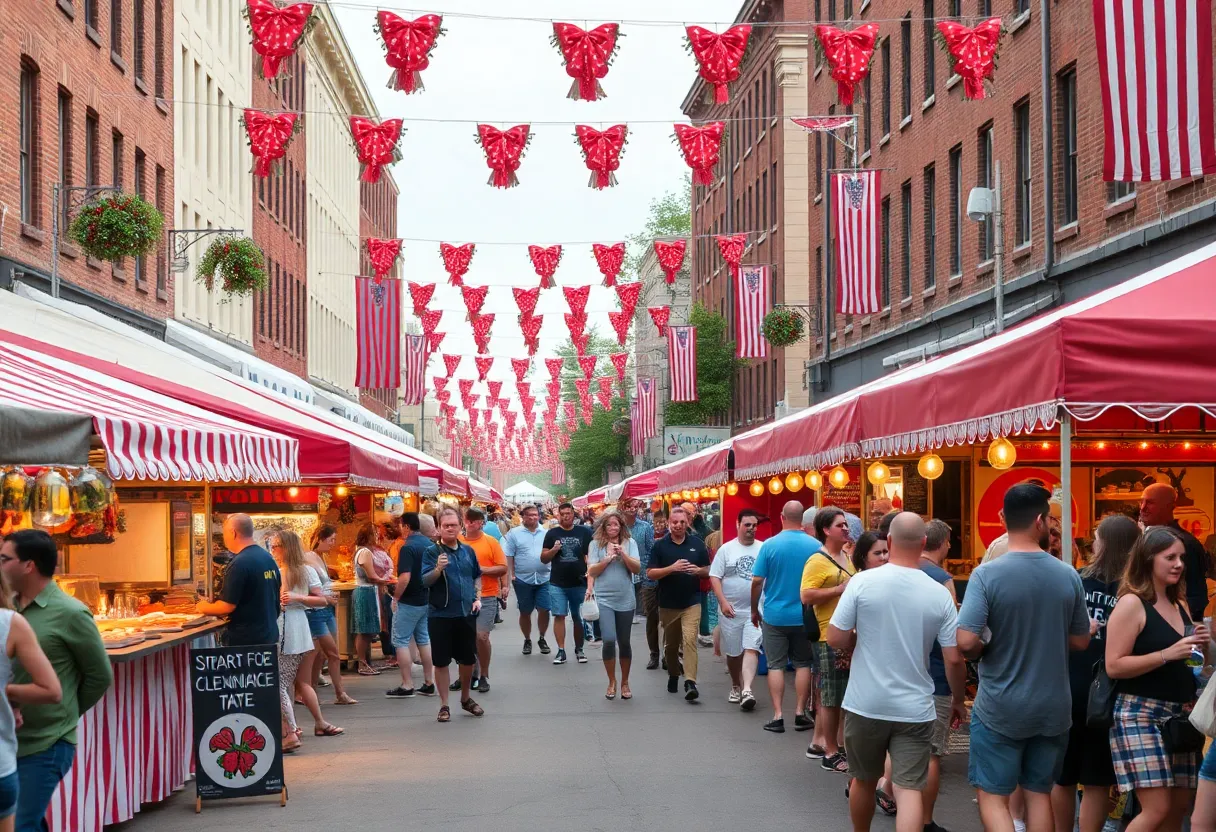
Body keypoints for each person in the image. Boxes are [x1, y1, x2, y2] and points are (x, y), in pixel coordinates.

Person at [956, 483, 1091, 832]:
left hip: (1001, 703)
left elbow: (966, 640)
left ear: (1004, 520)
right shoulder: (1067, 575)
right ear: (1040, 521)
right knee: (1038, 793)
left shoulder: (987, 575)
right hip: (1053, 705)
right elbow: (1079, 641)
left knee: (993, 796)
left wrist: (985, 647)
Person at [828, 513, 967, 832]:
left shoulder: (862, 581)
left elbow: (835, 637)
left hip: (866, 703)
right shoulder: (939, 594)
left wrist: (856, 639)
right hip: (915, 707)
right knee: (908, 789)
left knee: (862, 780)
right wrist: (958, 699)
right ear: (922, 544)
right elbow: (954, 659)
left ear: (889, 542)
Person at [1, 530, 106, 832]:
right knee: (25, 820)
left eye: (5, 559)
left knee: (20, 822)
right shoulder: (9, 611)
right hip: (10, 741)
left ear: (28, 565)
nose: (0, 564)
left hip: (47, 742)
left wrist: (65, 715)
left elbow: (99, 676)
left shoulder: (71, 613)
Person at [1105, 525, 1205, 831]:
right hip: (1139, 713)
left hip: (1180, 716)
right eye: (1170, 557)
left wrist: (1201, 647)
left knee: (1178, 807)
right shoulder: (1132, 603)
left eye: (1181, 558)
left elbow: (1188, 662)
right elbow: (1114, 665)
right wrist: (1167, 653)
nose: (1178, 564)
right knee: (1157, 807)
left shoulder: (1180, 605)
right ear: (1148, 558)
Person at [1051, 514, 1137, 832]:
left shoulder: (1075, 580)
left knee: (1063, 776)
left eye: (1097, 537)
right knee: (1097, 780)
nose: (1093, 542)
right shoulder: (1135, 591)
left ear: (1106, 544)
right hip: (1111, 693)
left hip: (1068, 686)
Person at [752, 501, 821, 734]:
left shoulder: (770, 545)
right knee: (803, 664)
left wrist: (754, 609)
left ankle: (778, 715)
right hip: (804, 614)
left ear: (782, 516)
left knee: (775, 665)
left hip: (775, 614)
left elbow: (757, 581)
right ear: (802, 519)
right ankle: (800, 713)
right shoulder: (815, 545)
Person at [269, 531, 342, 751]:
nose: (273, 550)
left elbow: (321, 600)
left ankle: (290, 731)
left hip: (289, 628)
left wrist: (296, 598)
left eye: (275, 546)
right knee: (300, 682)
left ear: (285, 547)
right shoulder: (300, 570)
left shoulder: (285, 572)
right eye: (272, 546)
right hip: (299, 627)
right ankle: (317, 723)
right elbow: (321, 599)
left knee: (281, 683)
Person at [801, 506, 856, 772]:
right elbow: (806, 595)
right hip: (827, 635)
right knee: (831, 696)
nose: (846, 528)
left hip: (848, 636)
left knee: (843, 694)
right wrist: (838, 589)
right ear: (826, 530)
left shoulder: (846, 556)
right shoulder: (817, 560)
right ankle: (830, 750)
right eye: (840, 525)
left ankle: (839, 745)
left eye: (846, 524)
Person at [422, 507, 484, 723]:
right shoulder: (431, 552)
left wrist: (477, 597)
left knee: (467, 659)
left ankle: (466, 699)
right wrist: (438, 570)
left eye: (453, 525)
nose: (450, 528)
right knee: (441, 662)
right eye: (445, 525)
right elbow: (425, 581)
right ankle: (444, 704)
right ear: (438, 528)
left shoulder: (468, 551)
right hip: (440, 614)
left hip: (465, 612)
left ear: (460, 526)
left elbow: (477, 576)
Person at [918, 519, 960, 832]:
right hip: (935, 674)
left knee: (902, 746)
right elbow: (952, 646)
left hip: (900, 675)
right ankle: (925, 820)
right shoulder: (943, 581)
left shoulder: (898, 572)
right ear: (943, 543)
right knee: (932, 753)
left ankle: (887, 788)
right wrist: (959, 696)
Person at [648, 507, 711, 701]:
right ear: (669, 523)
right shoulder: (660, 546)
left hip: (692, 601)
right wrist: (671, 568)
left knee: (690, 639)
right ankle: (674, 673)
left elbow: (708, 569)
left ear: (688, 523)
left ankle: (690, 681)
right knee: (671, 645)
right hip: (668, 603)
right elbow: (650, 573)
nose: (678, 526)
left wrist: (698, 571)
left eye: (682, 522)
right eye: (675, 522)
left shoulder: (697, 544)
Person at [198, 514, 282, 646]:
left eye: (224, 533)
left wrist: (203, 607)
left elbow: (227, 606)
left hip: (246, 640)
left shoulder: (240, 563)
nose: (224, 538)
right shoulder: (267, 558)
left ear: (233, 533)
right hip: (268, 634)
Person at [710, 510, 765, 710]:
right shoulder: (726, 550)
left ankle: (747, 689)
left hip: (755, 611)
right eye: (747, 525)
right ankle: (736, 684)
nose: (751, 529)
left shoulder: (763, 548)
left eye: (754, 525)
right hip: (731, 611)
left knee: (752, 648)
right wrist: (723, 602)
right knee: (734, 653)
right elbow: (715, 577)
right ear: (737, 524)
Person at [587, 511, 640, 700]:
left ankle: (625, 681)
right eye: (608, 525)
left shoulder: (630, 543)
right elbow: (592, 570)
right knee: (609, 639)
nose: (612, 528)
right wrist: (607, 559)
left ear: (621, 527)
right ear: (603, 526)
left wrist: (623, 555)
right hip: (604, 598)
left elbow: (637, 568)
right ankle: (612, 681)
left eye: (616, 525)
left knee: (624, 641)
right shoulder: (595, 545)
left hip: (625, 598)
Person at [1141, 483, 1211, 624]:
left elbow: (1195, 596)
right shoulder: (1146, 539)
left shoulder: (1185, 544)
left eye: (1150, 502)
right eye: (1141, 501)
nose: (1143, 508)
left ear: (1169, 506)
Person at [302, 525, 356, 705]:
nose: (333, 544)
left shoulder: (319, 557)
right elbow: (310, 585)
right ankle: (338, 693)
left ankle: (313, 690)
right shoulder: (309, 558)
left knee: (322, 654)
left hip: (325, 609)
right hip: (317, 611)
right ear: (320, 538)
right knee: (331, 653)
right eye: (331, 540)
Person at [386, 513, 436, 698]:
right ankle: (429, 681)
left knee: (400, 641)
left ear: (406, 526)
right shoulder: (430, 544)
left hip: (409, 601)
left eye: (401, 526)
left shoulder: (408, 548)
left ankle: (407, 684)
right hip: (426, 599)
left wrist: (396, 597)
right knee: (424, 639)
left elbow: (404, 577)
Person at [461, 507, 507, 693]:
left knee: (481, 636)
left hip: (487, 595)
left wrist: (481, 570)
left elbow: (502, 567)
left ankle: (483, 675)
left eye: (475, 519)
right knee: (465, 638)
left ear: (482, 522)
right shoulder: (457, 542)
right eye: (468, 519)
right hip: (462, 597)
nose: (471, 523)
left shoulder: (491, 542)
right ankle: (468, 673)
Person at [541, 503, 594, 665]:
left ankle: (579, 649)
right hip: (558, 582)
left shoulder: (584, 532)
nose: (566, 516)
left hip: (579, 582)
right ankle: (561, 650)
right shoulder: (552, 533)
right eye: (562, 514)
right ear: (558, 515)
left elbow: (590, 556)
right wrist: (554, 550)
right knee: (559, 615)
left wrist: (591, 577)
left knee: (579, 617)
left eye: (568, 513)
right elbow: (543, 559)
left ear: (574, 515)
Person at [504, 505, 552, 656]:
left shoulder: (546, 533)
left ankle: (542, 637)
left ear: (539, 516)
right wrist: (511, 576)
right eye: (529, 515)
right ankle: (527, 639)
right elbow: (509, 556)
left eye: (535, 515)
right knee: (525, 611)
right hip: (523, 579)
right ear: (523, 517)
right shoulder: (514, 534)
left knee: (544, 609)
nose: (532, 517)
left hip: (545, 578)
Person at [352, 523, 394, 676]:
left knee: (367, 630)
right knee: (364, 630)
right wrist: (388, 580)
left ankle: (363, 662)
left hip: (368, 591)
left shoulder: (363, 551)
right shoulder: (365, 552)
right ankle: (362, 663)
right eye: (375, 533)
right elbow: (371, 576)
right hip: (366, 592)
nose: (378, 536)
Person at [621, 499, 654, 624]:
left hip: (642, 566)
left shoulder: (645, 526)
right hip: (622, 565)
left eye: (635, 506)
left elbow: (650, 548)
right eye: (629, 506)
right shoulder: (618, 526)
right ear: (623, 508)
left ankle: (639, 613)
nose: (632, 509)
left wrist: (646, 567)